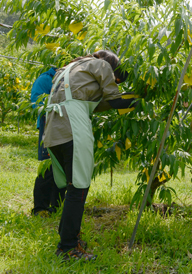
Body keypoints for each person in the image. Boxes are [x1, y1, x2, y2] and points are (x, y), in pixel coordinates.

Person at [44, 51, 138, 261]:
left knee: (72, 187)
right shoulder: (101, 65)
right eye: (116, 78)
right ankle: (67, 248)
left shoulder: (68, 69)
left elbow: (95, 104)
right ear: (112, 67)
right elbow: (114, 100)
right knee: (78, 188)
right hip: (72, 127)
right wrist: (140, 98)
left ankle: (70, 238)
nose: (114, 81)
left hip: (54, 130)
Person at [30, 67, 66, 216]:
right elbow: (36, 103)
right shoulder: (46, 79)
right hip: (49, 125)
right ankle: (40, 207)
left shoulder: (68, 78)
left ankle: (55, 206)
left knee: (62, 166)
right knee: (49, 166)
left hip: (64, 127)